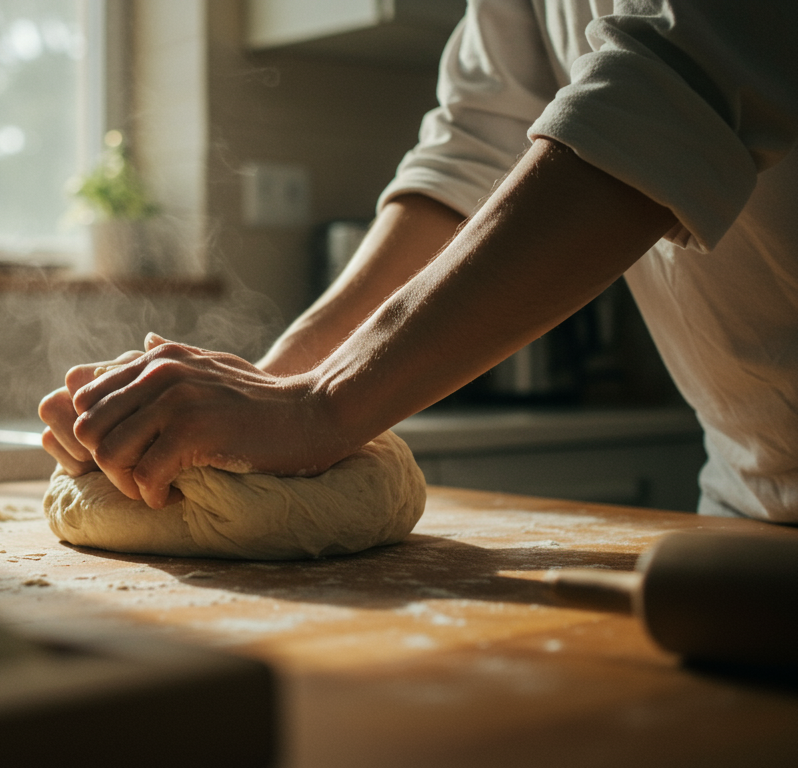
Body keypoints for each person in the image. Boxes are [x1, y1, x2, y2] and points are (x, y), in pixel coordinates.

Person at [39, 0, 798, 523]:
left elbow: (674, 95)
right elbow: (477, 153)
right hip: (745, 494)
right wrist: (275, 384)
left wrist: (320, 407)